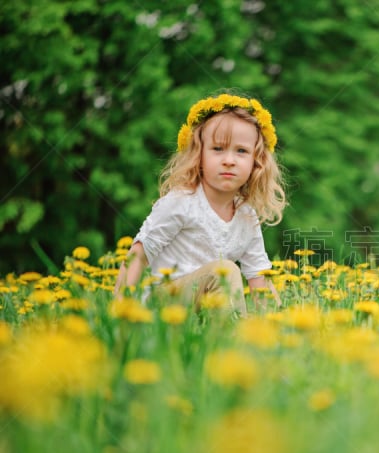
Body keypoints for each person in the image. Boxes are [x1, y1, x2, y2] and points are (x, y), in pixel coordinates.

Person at [114, 93, 286, 315]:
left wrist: (279, 325)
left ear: (256, 162)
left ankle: (232, 343)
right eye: (217, 149)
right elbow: (140, 253)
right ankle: (231, 341)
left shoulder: (246, 215)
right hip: (165, 304)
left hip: (207, 306)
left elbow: (259, 274)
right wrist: (120, 306)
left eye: (241, 151)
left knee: (224, 275)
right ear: (199, 154)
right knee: (225, 271)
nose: (229, 160)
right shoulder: (181, 202)